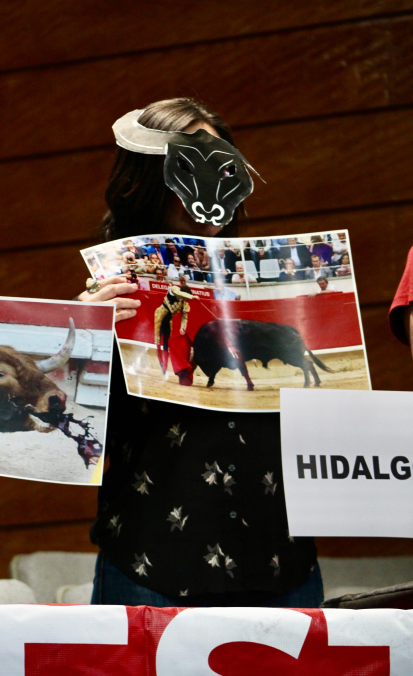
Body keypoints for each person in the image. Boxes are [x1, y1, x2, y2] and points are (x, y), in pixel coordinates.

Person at [77, 98, 322, 607]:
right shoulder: (108, 297)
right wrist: (84, 339)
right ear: (149, 181)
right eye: (188, 170)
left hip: (282, 567)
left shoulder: (281, 288)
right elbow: (78, 439)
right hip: (154, 569)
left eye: (222, 170)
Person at [153, 274, 195, 378]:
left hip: (168, 320)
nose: (187, 300)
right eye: (186, 297)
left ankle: (165, 367)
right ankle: (161, 362)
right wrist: (192, 297)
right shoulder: (174, 290)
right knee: (158, 340)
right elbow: (178, 292)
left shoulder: (184, 303)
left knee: (167, 342)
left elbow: (184, 316)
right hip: (159, 316)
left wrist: (182, 327)